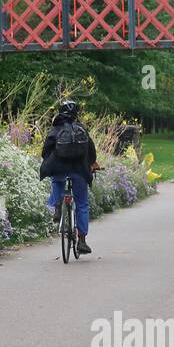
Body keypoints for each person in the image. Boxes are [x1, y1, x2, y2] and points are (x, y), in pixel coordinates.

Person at [39, 100, 99, 255]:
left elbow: (45, 152)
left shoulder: (55, 130)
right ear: (76, 114)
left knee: (56, 180)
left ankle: (58, 205)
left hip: (59, 170)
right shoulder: (82, 129)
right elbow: (91, 152)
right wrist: (92, 164)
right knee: (82, 204)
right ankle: (82, 240)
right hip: (79, 172)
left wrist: (50, 161)